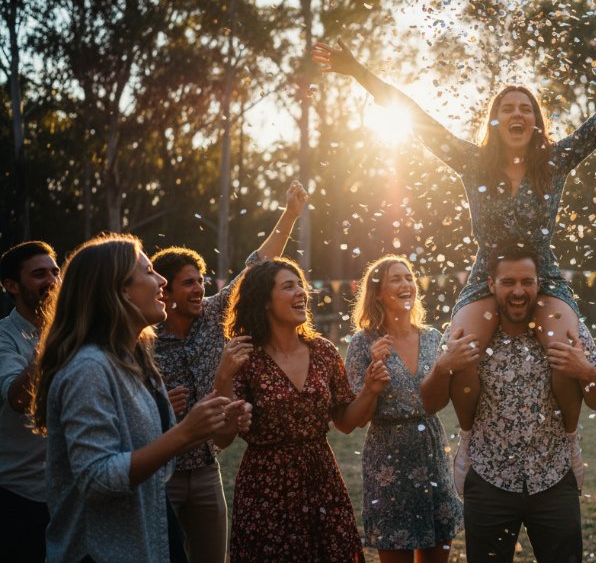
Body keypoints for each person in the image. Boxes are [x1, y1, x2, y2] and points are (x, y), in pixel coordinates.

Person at [313, 36, 596, 446]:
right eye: (507, 108)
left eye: (525, 109)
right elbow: (415, 116)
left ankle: (567, 435)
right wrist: (358, 71)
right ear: (495, 121)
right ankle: (471, 436)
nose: (517, 113)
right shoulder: (471, 162)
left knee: (563, 349)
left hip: (544, 275)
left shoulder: (555, 161)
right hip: (487, 273)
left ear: (536, 121)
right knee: (462, 349)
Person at [31, 234, 248, 563]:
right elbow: (97, 477)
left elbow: (155, 457)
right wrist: (185, 431)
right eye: (149, 271)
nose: (161, 280)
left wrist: (209, 421)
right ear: (118, 291)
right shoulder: (89, 368)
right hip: (101, 552)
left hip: (148, 539)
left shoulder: (135, 359)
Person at [419, 242, 596, 563]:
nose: (519, 291)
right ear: (491, 284)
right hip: (488, 478)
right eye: (508, 282)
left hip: (553, 478)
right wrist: (442, 366)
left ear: (540, 283)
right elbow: (428, 403)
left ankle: (571, 442)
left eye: (527, 282)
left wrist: (586, 369)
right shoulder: (467, 333)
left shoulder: (566, 331)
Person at [150, 180, 307, 563]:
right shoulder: (144, 339)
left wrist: (289, 214)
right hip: (160, 475)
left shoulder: (213, 315)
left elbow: (257, 263)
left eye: (200, 281)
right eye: (187, 284)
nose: (199, 290)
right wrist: (156, 404)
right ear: (164, 292)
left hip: (206, 470)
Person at [213, 257, 390, 563]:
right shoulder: (245, 357)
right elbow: (224, 438)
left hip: (321, 477)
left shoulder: (323, 351)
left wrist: (370, 390)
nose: (301, 293)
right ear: (265, 302)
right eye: (288, 286)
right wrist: (223, 377)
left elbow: (347, 422)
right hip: (266, 486)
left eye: (300, 285)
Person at [344, 255, 463, 562]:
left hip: (432, 451)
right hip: (388, 463)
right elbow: (355, 418)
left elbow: (446, 396)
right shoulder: (363, 344)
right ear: (378, 293)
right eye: (395, 279)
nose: (406, 284)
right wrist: (371, 385)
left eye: (409, 277)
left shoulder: (433, 338)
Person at [0, 241, 60, 562]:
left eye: (55, 271)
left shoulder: (73, 332)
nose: (52, 281)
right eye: (39, 274)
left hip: (67, 493)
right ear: (11, 285)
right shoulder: (3, 337)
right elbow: (19, 399)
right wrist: (53, 339)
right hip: (18, 497)